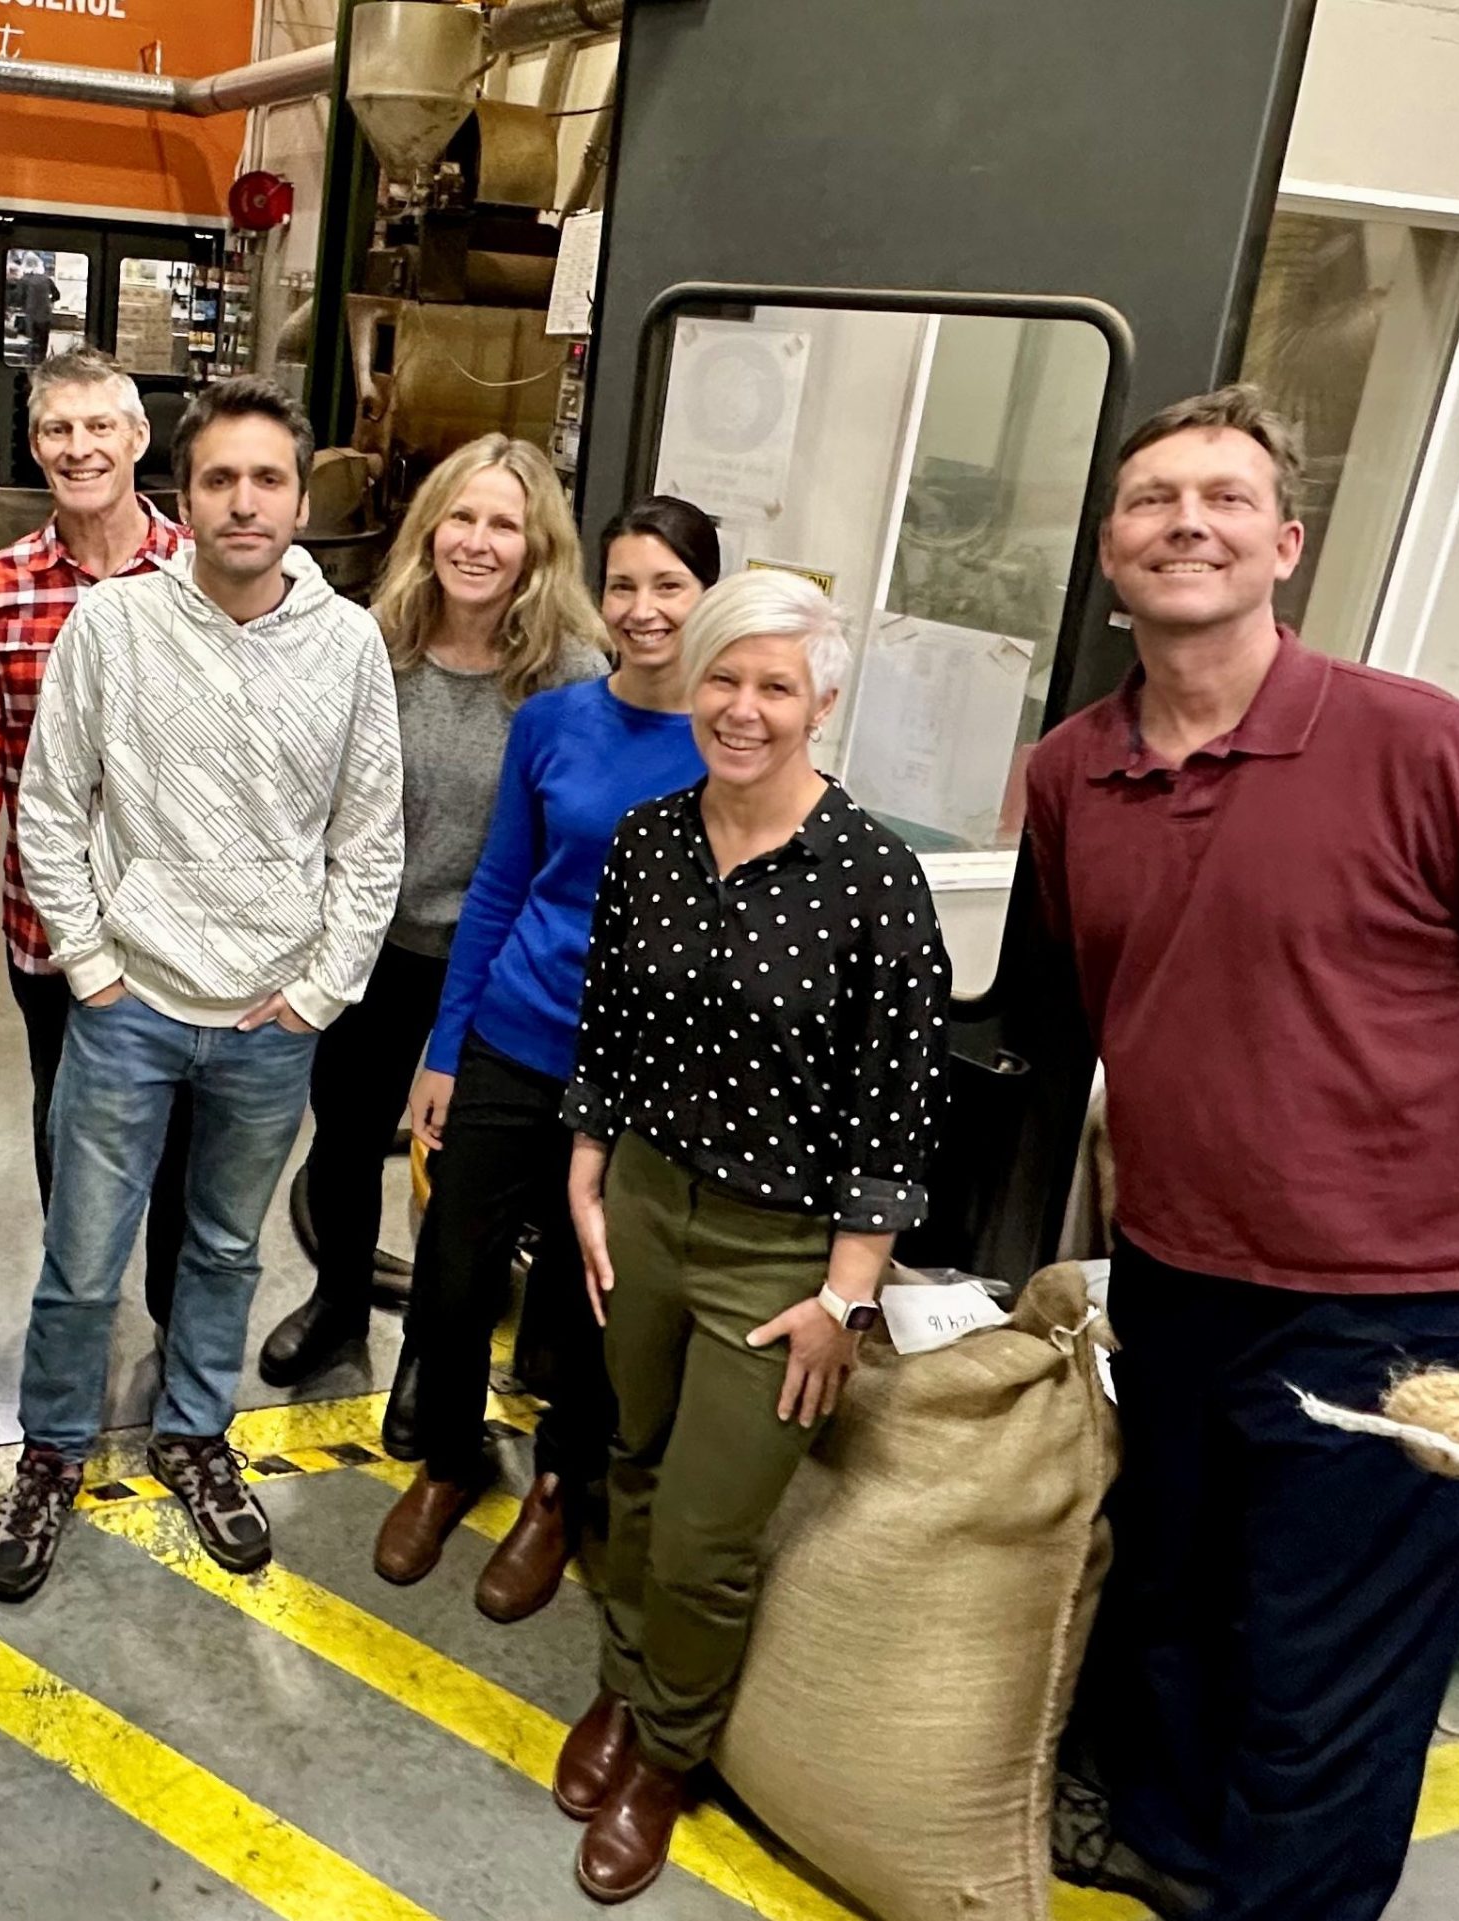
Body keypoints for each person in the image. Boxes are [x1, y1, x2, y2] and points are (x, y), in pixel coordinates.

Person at [1031, 386, 1459, 1921]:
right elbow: (1095, 1010)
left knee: (1333, 1678)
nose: (1188, 521)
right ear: (1110, 551)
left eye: (1225, 498)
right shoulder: (1070, 776)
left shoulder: (1433, 753)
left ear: (1285, 544)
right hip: (1179, 1274)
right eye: (1155, 499)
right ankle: (1176, 1857)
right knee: (1176, 1609)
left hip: (1410, 1308)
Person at [0, 376, 403, 1602]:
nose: (244, 501)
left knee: (222, 1250)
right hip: (131, 1012)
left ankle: (193, 1434)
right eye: (219, 478)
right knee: (82, 1256)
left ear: (299, 494)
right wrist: (97, 971)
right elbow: (50, 808)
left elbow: (368, 840)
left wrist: (323, 991)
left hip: (271, 1022)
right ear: (185, 493)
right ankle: (51, 1453)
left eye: (268, 478)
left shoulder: (349, 644)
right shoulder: (111, 627)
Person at [555, 568, 946, 1904]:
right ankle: (620, 1684)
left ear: (821, 700)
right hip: (649, 1205)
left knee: (710, 1537)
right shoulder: (652, 840)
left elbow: (899, 1110)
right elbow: (609, 1023)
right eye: (723, 677)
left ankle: (666, 1750)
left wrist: (845, 1298)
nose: (742, 706)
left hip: (778, 1252)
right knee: (635, 1465)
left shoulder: (874, 877)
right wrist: (590, 1173)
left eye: (775, 684)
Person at [369, 496, 719, 1627]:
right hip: (515, 1034)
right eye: (623, 585)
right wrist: (446, 1046)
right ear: (595, 596)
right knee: (457, 1271)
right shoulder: (554, 721)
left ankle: (560, 1488)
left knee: (584, 1296)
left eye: (669, 584)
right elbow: (498, 890)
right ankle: (451, 1455)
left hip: (638, 1070)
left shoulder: (728, 742)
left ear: (705, 595)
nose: (644, 607)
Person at [256, 435, 607, 1391]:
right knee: (344, 1133)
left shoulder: (572, 675)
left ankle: (429, 1352)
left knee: (462, 1166)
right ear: (430, 526)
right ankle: (336, 1301)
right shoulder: (377, 640)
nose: (479, 541)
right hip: (372, 941)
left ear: (538, 548)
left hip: (493, 962)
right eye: (463, 516)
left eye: (506, 524)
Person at [0, 346, 192, 1333]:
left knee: (182, 1139)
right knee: (67, 1125)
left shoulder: (200, 574)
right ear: (35, 445)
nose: (79, 447)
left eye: (99, 427)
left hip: (186, 932)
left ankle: (173, 1315)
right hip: (52, 934)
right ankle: (80, 1307)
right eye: (57, 429)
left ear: (137, 438)